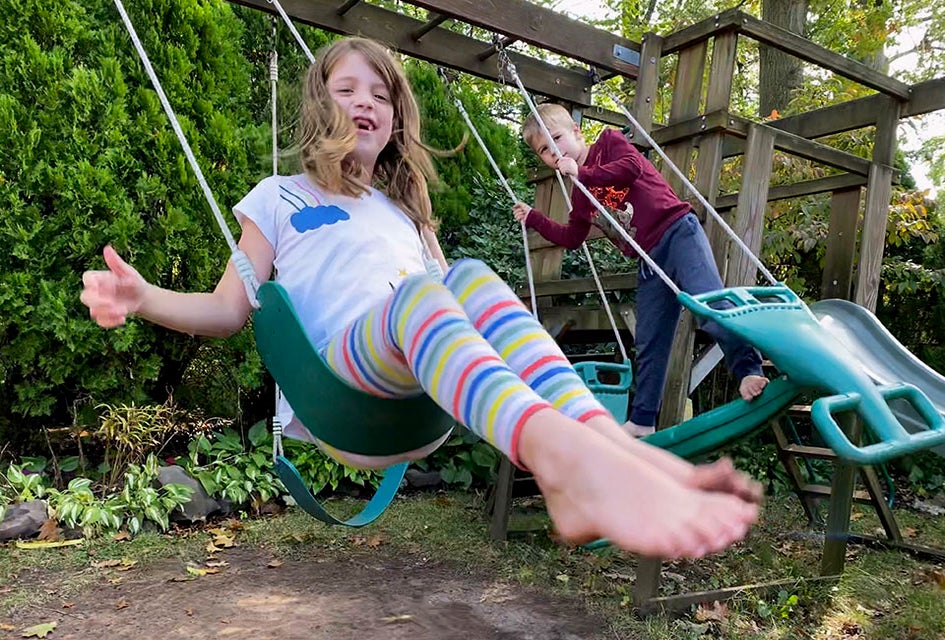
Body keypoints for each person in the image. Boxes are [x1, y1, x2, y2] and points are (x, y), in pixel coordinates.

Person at [81, 37, 761, 559]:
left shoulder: (405, 208)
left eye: (379, 93)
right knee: (422, 295)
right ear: (320, 106)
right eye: (346, 89)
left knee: (460, 275)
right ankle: (562, 461)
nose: (364, 101)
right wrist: (145, 297)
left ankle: (610, 445)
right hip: (339, 391)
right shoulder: (279, 197)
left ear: (396, 115)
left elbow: (462, 307)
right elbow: (229, 310)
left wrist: (434, 251)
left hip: (422, 395)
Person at [514, 103, 769, 438]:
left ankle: (748, 370)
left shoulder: (609, 143)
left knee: (709, 305)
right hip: (649, 258)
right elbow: (572, 238)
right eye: (545, 150)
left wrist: (583, 173)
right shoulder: (581, 195)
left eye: (557, 138)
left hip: (678, 231)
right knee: (649, 340)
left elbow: (632, 168)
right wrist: (534, 217)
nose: (554, 151)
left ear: (577, 132)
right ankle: (643, 420)